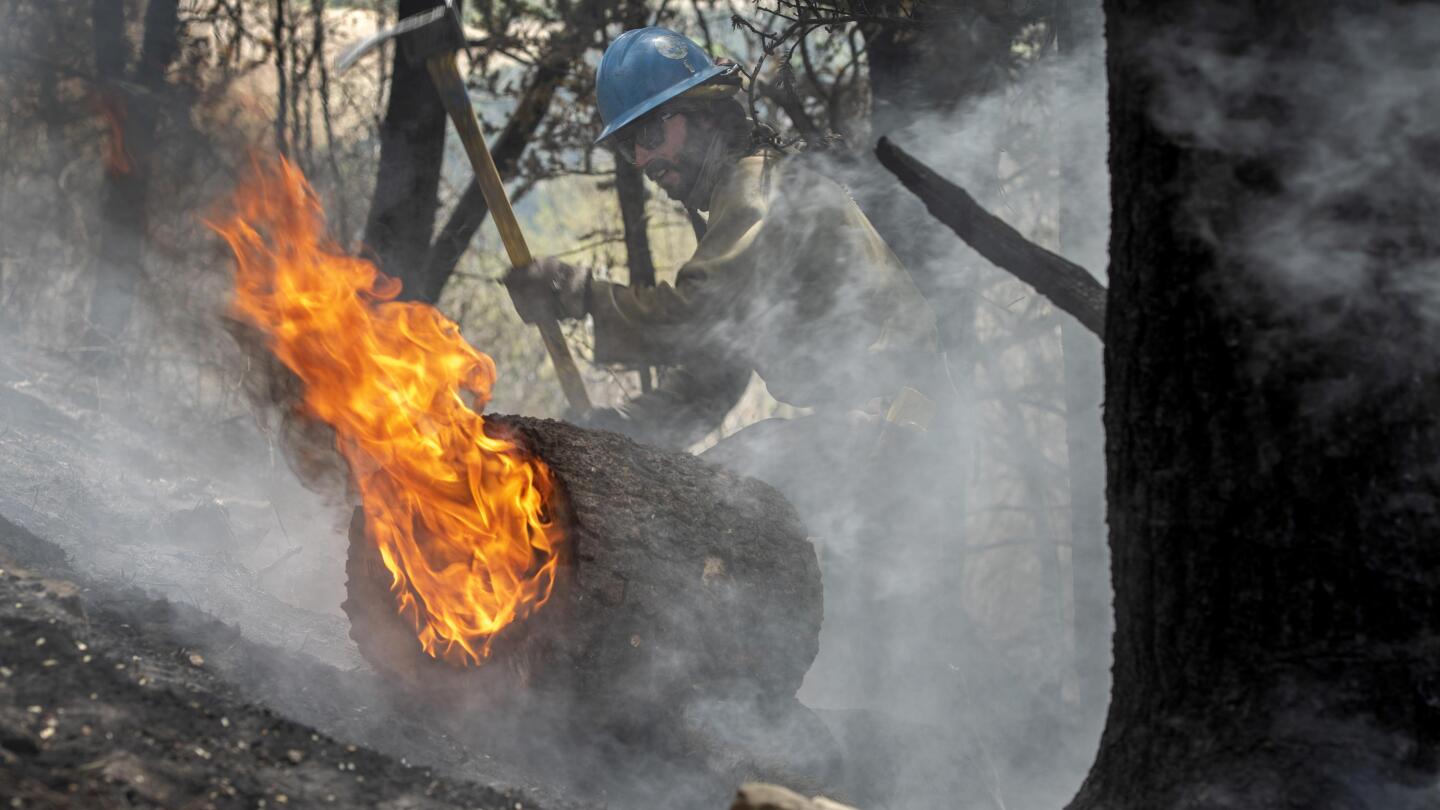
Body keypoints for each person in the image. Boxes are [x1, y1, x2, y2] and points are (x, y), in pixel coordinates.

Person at [504, 27, 951, 458]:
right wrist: (627, 429)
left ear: (703, 114)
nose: (642, 159)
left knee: (724, 497)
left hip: (896, 425)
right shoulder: (739, 196)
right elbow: (716, 369)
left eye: (649, 134)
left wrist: (581, 294)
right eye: (628, 146)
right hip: (882, 425)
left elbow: (698, 319)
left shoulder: (756, 189)